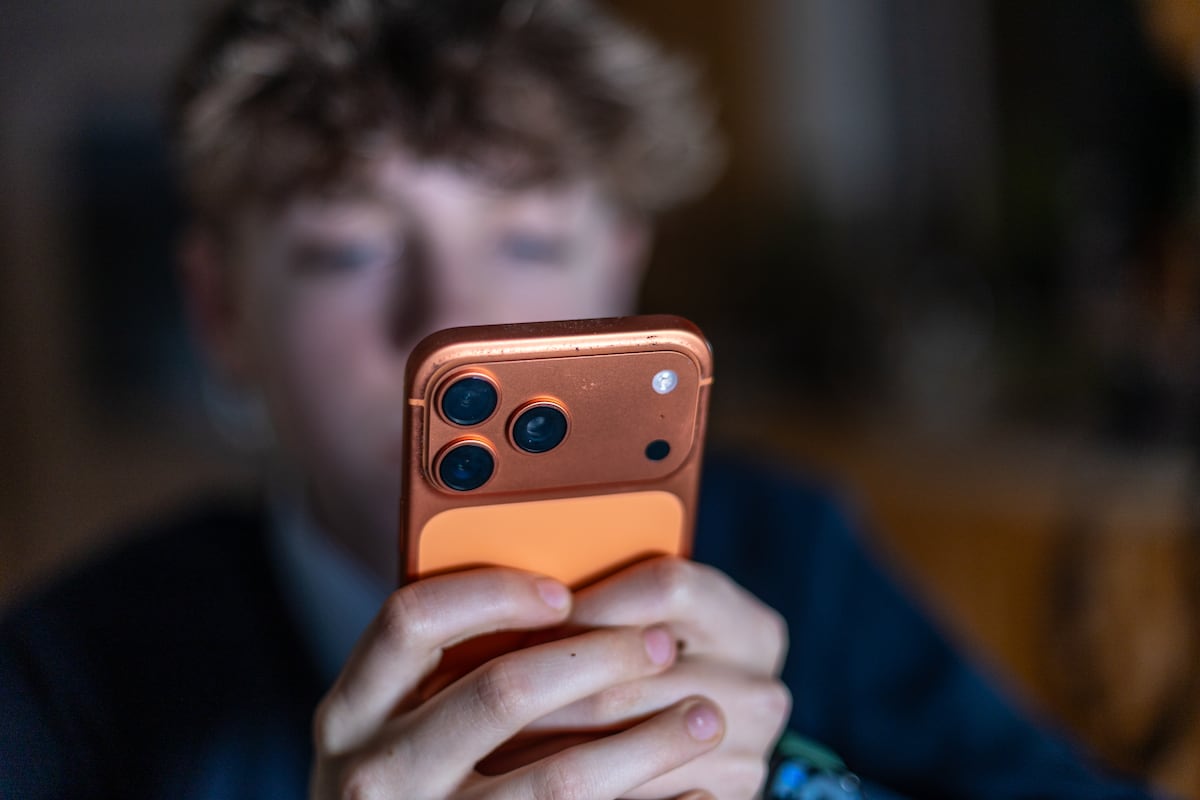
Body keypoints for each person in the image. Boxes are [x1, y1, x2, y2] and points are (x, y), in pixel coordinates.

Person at [0, 1, 1160, 798]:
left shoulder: (793, 551)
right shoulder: (60, 681)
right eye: (346, 250)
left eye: (530, 239)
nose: (454, 322)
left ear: (622, 276)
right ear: (220, 313)